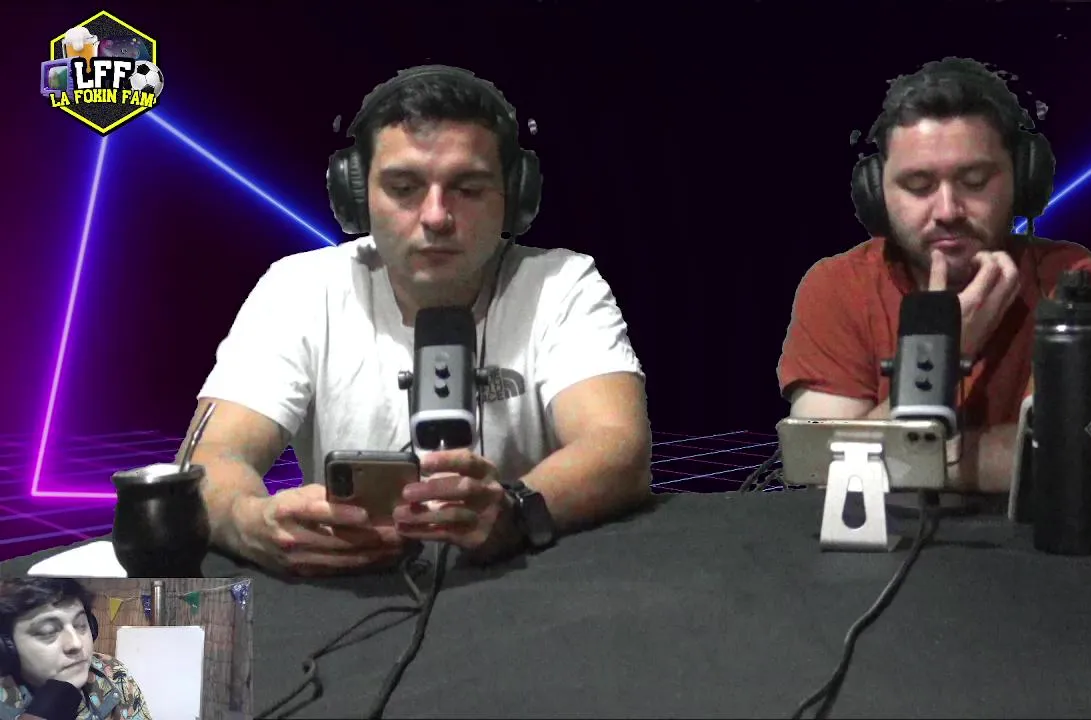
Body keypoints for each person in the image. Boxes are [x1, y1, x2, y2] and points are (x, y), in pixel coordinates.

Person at [183, 66, 652, 576]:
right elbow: (212, 454)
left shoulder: (562, 283)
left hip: (528, 587)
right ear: (356, 196)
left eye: (468, 188)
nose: (435, 216)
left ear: (514, 197)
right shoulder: (298, 287)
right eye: (404, 187)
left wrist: (515, 510)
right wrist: (248, 521)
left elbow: (617, 446)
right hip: (349, 590)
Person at [778, 57, 1091, 495]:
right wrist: (948, 350)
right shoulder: (835, 286)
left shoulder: (1079, 286)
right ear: (876, 193)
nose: (947, 211)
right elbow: (819, 466)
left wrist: (882, 454)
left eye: (975, 180)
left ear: (1022, 179)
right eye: (918, 185)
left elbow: (1059, 465)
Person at [0, 579, 152, 720]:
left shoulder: (113, 672)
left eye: (80, 625)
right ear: (7, 647)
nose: (76, 643)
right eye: (48, 631)